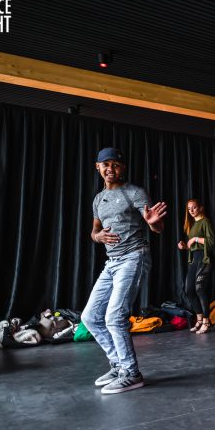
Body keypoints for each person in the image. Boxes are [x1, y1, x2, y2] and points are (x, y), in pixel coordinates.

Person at [80, 147, 167, 394]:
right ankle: (118, 365)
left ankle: (131, 373)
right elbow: (94, 231)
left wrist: (154, 223)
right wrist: (99, 237)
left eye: (115, 164)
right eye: (105, 164)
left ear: (123, 168)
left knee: (114, 317)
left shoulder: (135, 193)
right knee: (90, 317)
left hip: (134, 257)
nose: (110, 169)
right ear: (98, 167)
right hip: (112, 263)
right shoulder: (98, 199)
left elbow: (157, 227)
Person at [177, 199, 215, 334]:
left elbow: (211, 242)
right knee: (189, 290)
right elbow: (193, 247)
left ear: (201, 208)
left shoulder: (205, 222)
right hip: (195, 259)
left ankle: (206, 321)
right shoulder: (193, 225)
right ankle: (199, 319)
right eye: (189, 209)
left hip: (204, 260)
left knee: (200, 289)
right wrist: (185, 246)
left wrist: (195, 239)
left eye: (194, 208)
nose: (191, 211)